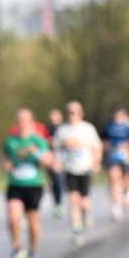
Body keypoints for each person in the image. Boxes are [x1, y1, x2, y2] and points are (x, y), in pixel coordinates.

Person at [3, 108, 53, 258]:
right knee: (13, 218)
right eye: (19, 120)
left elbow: (49, 161)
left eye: (25, 120)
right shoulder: (9, 141)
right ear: (16, 122)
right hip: (15, 184)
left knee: (32, 222)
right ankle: (17, 248)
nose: (22, 123)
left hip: (33, 185)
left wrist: (35, 152)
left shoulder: (38, 140)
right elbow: (5, 159)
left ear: (31, 122)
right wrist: (6, 165)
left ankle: (33, 252)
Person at [51, 101, 102, 246]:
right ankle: (77, 230)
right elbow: (56, 148)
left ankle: (86, 213)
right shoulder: (62, 130)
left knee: (84, 202)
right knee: (73, 200)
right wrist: (56, 162)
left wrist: (96, 161)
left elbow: (97, 147)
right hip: (69, 169)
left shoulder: (88, 129)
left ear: (81, 113)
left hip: (85, 168)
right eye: (70, 112)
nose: (72, 115)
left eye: (75, 112)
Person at [102, 106, 129, 222]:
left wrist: (128, 148)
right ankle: (116, 207)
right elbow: (103, 141)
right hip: (113, 157)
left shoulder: (128, 127)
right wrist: (107, 147)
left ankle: (128, 192)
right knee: (114, 179)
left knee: (126, 179)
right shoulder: (108, 127)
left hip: (126, 158)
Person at [45, 108, 64, 218]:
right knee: (55, 181)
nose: (54, 118)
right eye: (52, 116)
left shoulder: (65, 128)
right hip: (52, 159)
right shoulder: (47, 129)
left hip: (66, 159)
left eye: (56, 116)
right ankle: (57, 203)